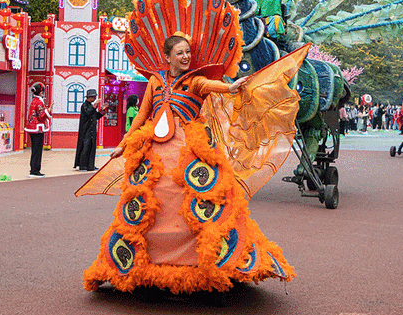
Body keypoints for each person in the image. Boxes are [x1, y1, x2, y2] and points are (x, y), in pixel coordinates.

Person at [78, 35, 298, 294]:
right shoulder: (155, 81)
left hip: (192, 154)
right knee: (148, 203)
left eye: (188, 53)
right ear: (168, 57)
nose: (185, 57)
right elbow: (142, 115)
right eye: (180, 53)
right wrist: (124, 143)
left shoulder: (194, 81)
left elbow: (209, 85)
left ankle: (206, 262)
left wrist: (230, 87)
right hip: (154, 154)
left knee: (199, 202)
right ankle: (145, 263)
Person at [74, 89, 106, 172]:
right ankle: (82, 165)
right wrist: (95, 105)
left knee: (91, 148)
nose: (95, 98)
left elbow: (95, 116)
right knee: (85, 147)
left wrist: (102, 111)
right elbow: (88, 113)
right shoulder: (84, 106)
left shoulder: (91, 106)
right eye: (94, 97)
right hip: (85, 130)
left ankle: (90, 165)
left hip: (92, 130)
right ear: (89, 97)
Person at [23, 83, 51, 177]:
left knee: (35, 150)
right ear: (41, 92)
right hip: (37, 128)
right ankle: (35, 170)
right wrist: (49, 110)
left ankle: (34, 169)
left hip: (32, 128)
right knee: (37, 150)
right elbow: (42, 116)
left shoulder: (34, 101)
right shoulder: (39, 102)